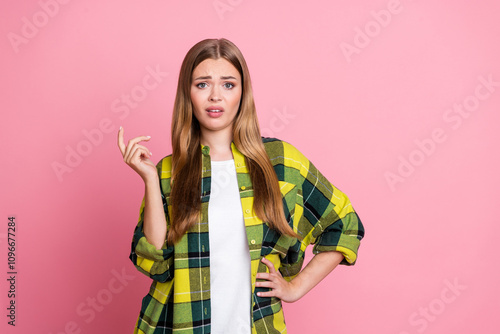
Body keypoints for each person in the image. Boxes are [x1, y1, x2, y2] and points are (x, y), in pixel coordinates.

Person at [117, 38, 364, 334]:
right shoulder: (169, 171)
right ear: (188, 94)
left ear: (242, 93)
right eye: (203, 84)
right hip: (177, 326)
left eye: (228, 85)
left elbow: (344, 223)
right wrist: (149, 179)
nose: (215, 97)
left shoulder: (281, 162)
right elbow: (154, 262)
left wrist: (295, 287)